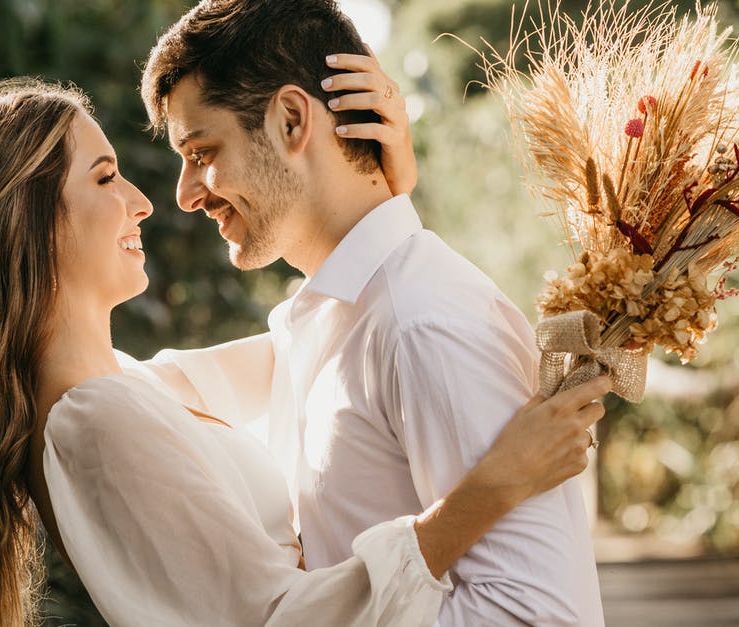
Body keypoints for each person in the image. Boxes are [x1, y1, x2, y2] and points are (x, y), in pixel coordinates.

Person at [0, 75, 609, 625]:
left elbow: (307, 343)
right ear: (30, 222)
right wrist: (490, 490)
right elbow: (274, 618)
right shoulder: (92, 421)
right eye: (105, 177)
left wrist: (376, 196)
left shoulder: (128, 390)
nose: (144, 200)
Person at [135, 1, 607, 624]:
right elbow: (140, 389)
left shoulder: (426, 322)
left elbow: (539, 616)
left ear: (291, 120)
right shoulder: (323, 320)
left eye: (202, 150)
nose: (185, 193)